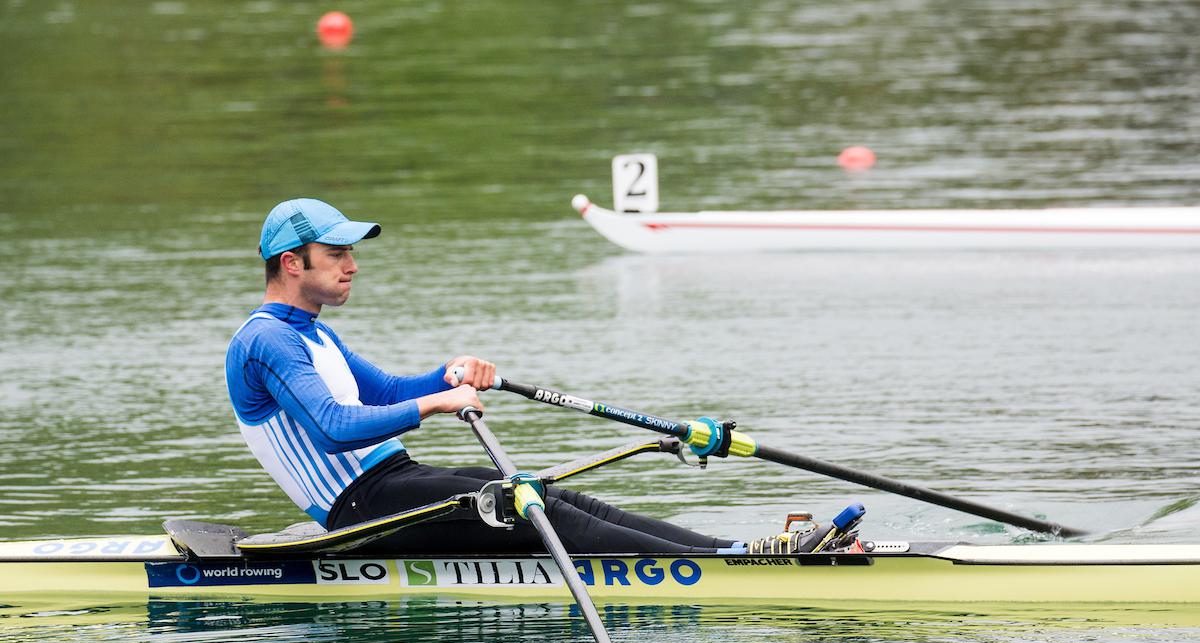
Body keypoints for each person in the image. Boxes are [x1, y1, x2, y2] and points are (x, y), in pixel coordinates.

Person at [225, 198, 805, 555]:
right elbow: (332, 429)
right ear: (292, 263)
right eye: (336, 254)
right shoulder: (265, 341)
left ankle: (738, 550)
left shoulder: (312, 331)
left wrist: (446, 375)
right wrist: (437, 404)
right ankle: (726, 566)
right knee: (531, 507)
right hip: (359, 509)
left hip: (395, 481)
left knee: (551, 494)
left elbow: (384, 393)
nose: (353, 265)